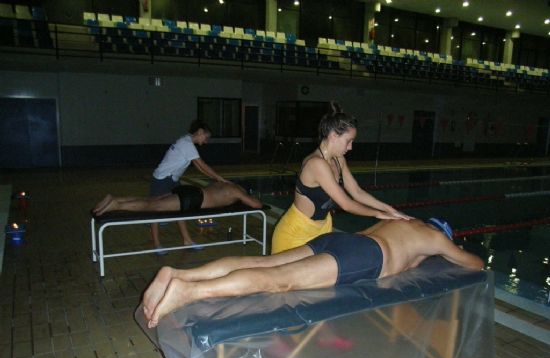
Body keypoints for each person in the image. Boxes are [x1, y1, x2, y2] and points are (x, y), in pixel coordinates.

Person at [142, 217, 484, 328]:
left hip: (339, 239)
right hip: (364, 257)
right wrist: (435, 253)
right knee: (279, 282)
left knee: (263, 263)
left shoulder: (403, 222)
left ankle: (180, 274)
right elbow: (475, 264)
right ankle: (188, 293)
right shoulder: (435, 237)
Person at [271, 102, 411, 254]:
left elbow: (357, 192)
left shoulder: (338, 160)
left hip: (320, 231)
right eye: (348, 141)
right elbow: (346, 204)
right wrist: (378, 214)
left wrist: (389, 209)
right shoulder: (316, 164)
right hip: (295, 235)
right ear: (333, 136)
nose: (350, 147)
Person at [150, 120, 228, 254]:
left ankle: (187, 241)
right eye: (206, 137)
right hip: (162, 179)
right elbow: (202, 164)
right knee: (156, 212)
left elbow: (198, 166)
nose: (207, 141)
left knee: (181, 209)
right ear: (200, 132)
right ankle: (157, 245)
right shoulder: (186, 144)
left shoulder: (187, 142)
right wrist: (220, 179)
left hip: (172, 180)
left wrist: (215, 178)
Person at [93, 181, 262, 216]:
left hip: (189, 190)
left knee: (151, 201)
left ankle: (115, 199)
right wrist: (246, 197)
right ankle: (115, 205)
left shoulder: (223, 184)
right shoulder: (236, 191)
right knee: (151, 206)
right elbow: (256, 205)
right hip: (193, 199)